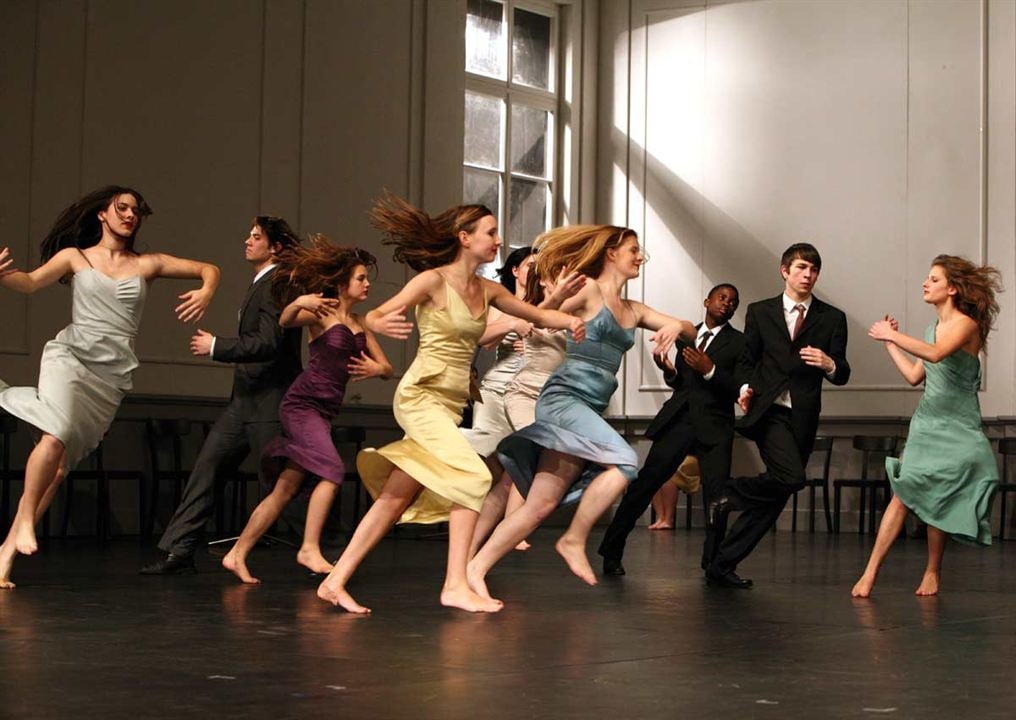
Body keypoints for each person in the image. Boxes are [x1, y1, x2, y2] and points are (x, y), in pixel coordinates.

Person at [315, 193, 584, 614]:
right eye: (490, 233)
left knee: (394, 496)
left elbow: (532, 314)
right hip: (421, 396)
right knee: (474, 476)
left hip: (451, 402)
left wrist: (569, 318)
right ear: (464, 238)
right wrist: (375, 322)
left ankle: (335, 580)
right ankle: (455, 583)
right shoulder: (432, 282)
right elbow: (373, 316)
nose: (498, 240)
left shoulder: (489, 289)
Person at [0, 185, 220, 588]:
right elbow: (30, 283)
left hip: (110, 375)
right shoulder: (75, 257)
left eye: (136, 210)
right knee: (55, 435)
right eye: (122, 208)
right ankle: (27, 523)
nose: (130, 215)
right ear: (103, 214)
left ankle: (4, 556)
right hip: (71, 357)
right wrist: (6, 275)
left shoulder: (147, 264)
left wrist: (207, 289)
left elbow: (209, 268)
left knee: (61, 466)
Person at [466, 225, 695, 598]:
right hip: (563, 400)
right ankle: (574, 540)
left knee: (539, 505)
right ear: (611, 253)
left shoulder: (632, 309)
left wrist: (674, 327)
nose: (640, 257)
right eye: (633, 250)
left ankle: (474, 568)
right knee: (624, 460)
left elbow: (688, 329)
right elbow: (534, 318)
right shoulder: (588, 290)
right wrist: (555, 299)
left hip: (589, 407)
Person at [221, 238, 392, 584]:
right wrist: (301, 300)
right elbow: (285, 321)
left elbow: (387, 367)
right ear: (343, 283)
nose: (367, 284)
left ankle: (236, 553)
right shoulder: (320, 313)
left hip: (326, 411)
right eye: (361, 278)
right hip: (302, 404)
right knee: (331, 471)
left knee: (285, 488)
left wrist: (376, 370)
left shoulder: (360, 321)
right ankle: (309, 548)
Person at [140, 217, 302, 575]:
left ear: (274, 247)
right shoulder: (260, 283)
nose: (247, 240)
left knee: (281, 484)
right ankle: (179, 550)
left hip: (269, 402)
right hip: (243, 402)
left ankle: (330, 549)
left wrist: (216, 346)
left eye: (256, 237)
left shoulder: (278, 283)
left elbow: (269, 343)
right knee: (207, 469)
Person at [851, 255, 1002, 598]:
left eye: (933, 279)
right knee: (903, 493)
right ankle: (870, 573)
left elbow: (936, 355)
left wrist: (894, 333)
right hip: (927, 424)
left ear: (951, 288)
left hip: (959, 425)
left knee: (939, 492)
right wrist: (890, 343)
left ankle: (932, 571)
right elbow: (915, 375)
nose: (925, 283)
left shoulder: (966, 325)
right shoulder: (929, 330)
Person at [705, 243, 850, 589]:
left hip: (802, 415)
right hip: (767, 412)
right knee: (793, 478)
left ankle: (721, 563)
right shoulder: (759, 311)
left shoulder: (832, 318)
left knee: (778, 494)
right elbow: (746, 362)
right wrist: (743, 388)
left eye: (814, 270)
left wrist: (830, 364)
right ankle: (730, 492)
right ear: (785, 271)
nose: (808, 275)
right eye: (801, 268)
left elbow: (842, 371)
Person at [598, 283, 744, 576]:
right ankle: (611, 551)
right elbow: (682, 386)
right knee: (645, 485)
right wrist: (669, 372)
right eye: (722, 298)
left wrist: (711, 370)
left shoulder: (740, 343)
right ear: (707, 301)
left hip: (715, 427)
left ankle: (715, 564)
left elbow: (737, 388)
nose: (727, 304)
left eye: (733, 302)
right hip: (679, 421)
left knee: (717, 497)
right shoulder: (686, 337)